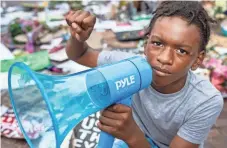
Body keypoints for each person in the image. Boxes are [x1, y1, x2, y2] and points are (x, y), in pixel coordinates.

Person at [65, 1, 224, 148]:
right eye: (157, 43)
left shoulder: (205, 101)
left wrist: (132, 135)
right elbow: (81, 54)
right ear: (146, 43)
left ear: (197, 60)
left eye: (181, 51)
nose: (164, 58)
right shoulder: (128, 67)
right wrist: (77, 37)